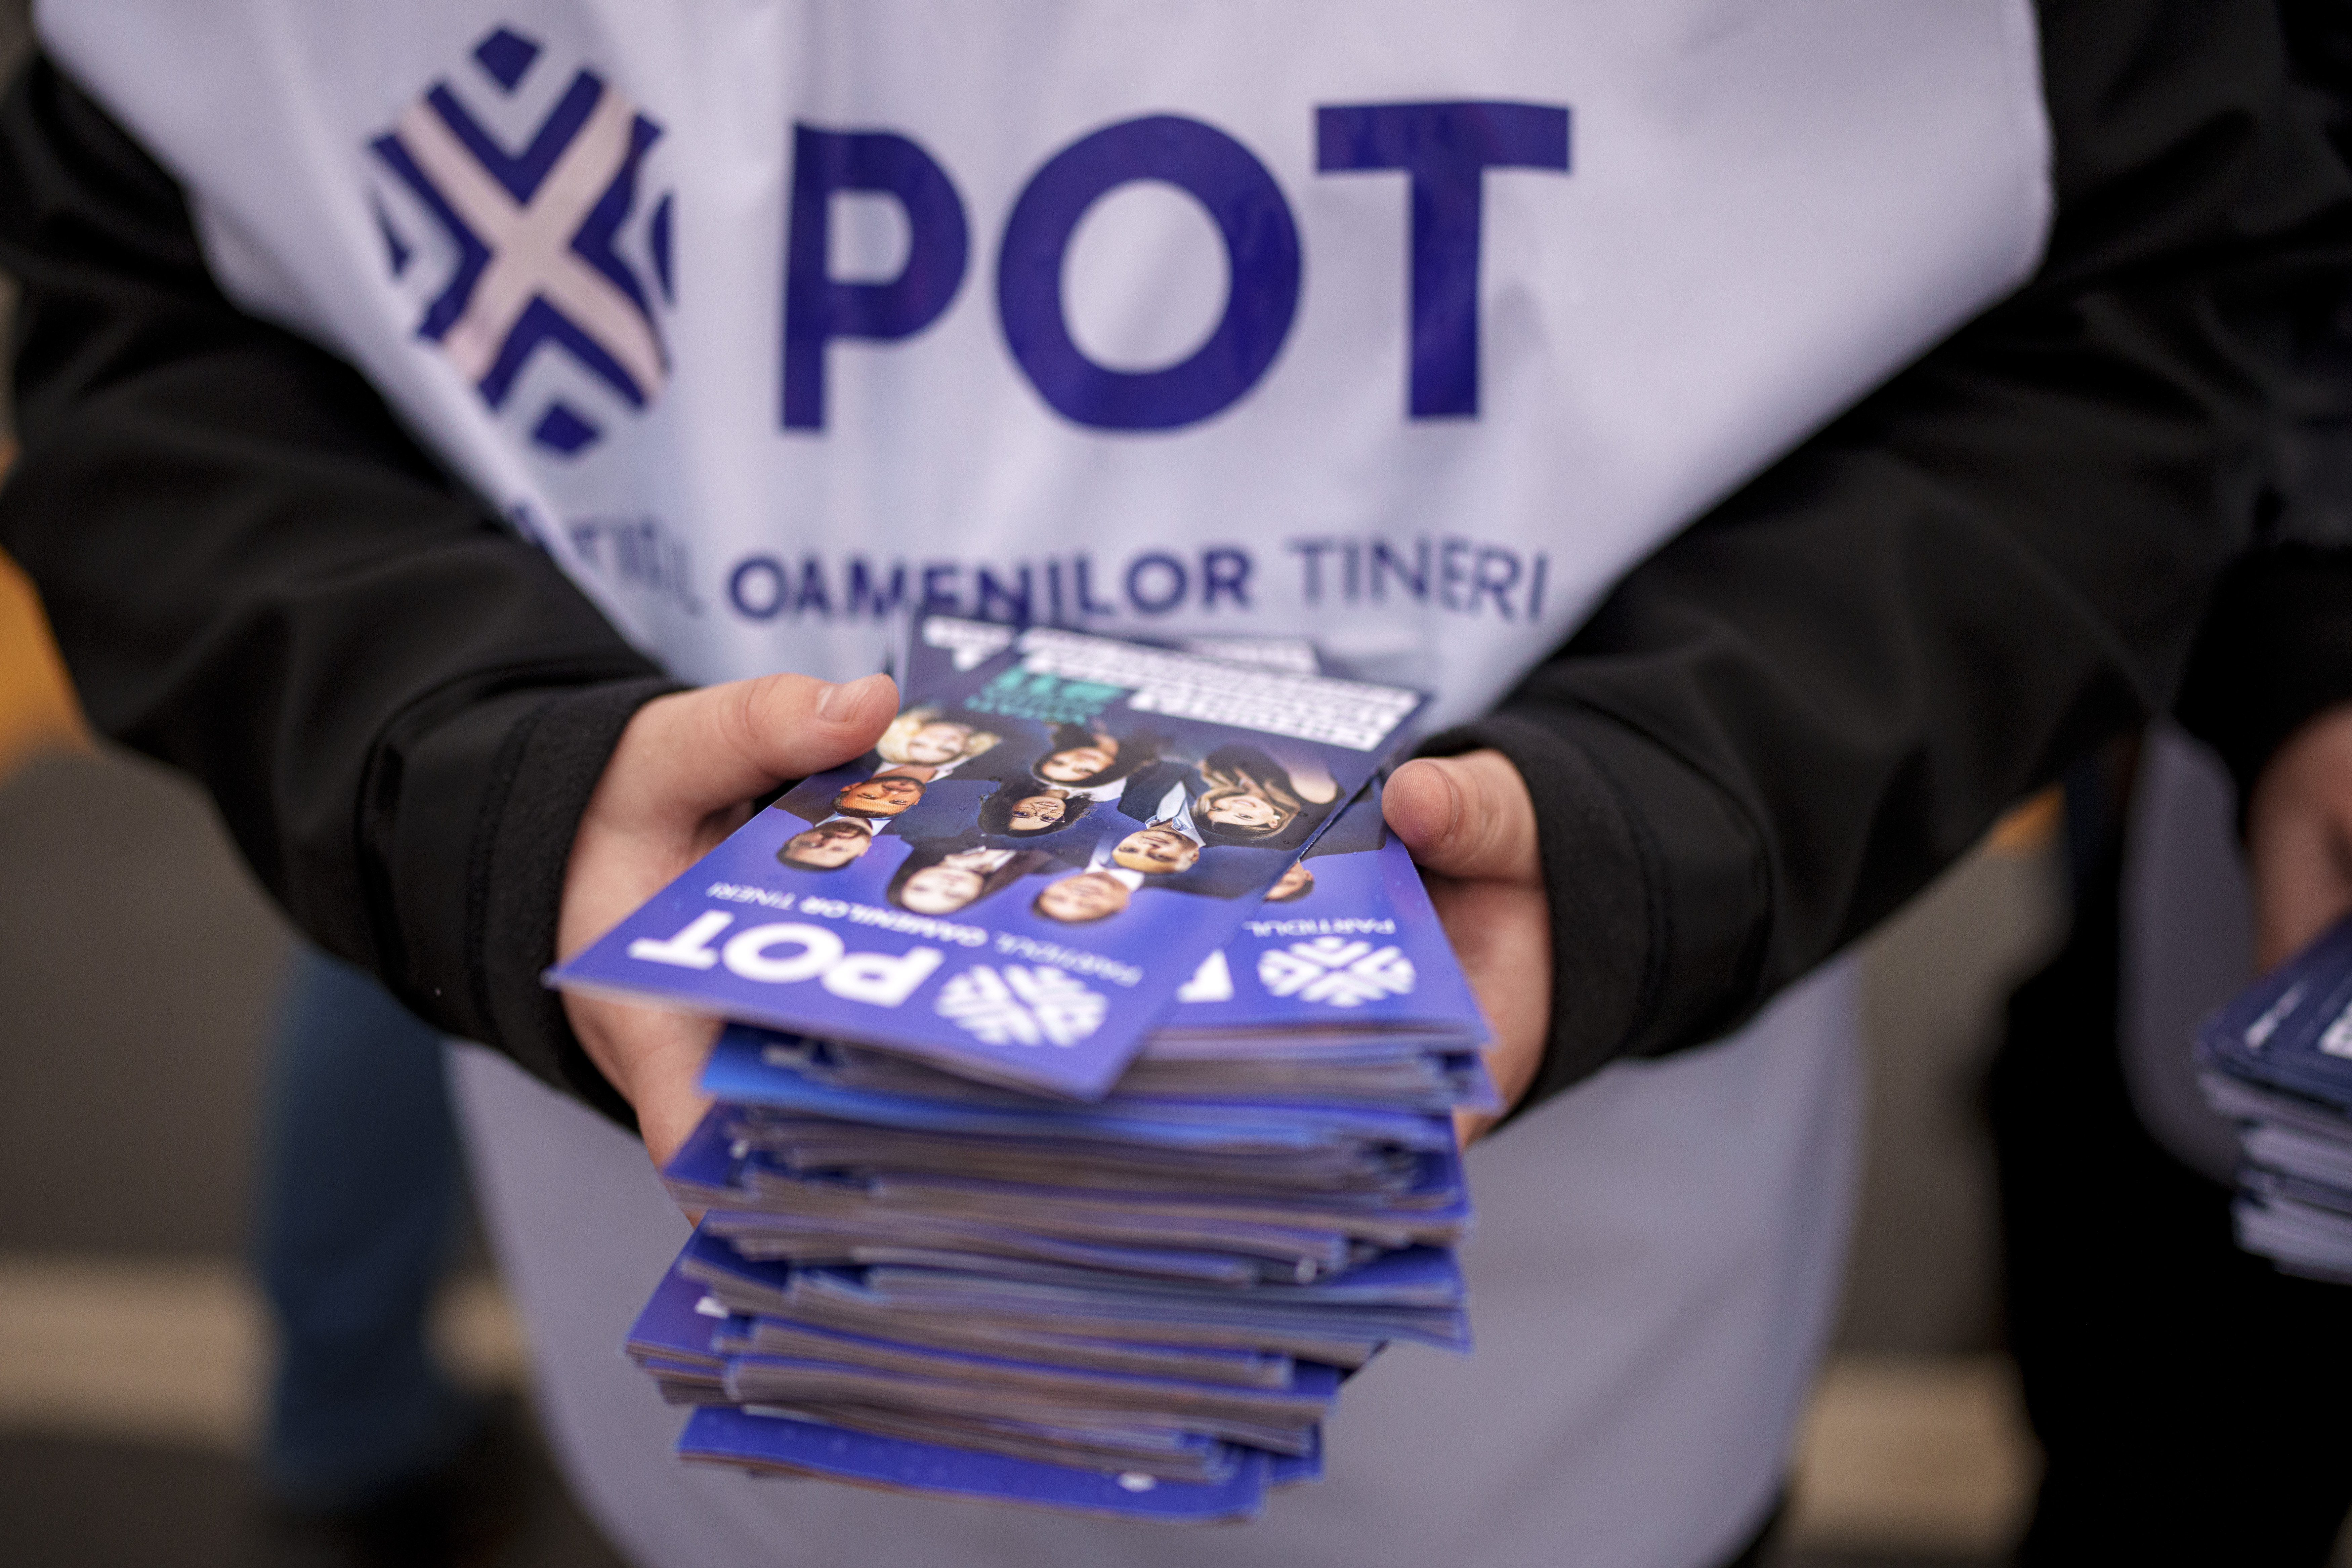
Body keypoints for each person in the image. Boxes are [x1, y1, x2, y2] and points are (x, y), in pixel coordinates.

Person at [1, 5, 2344, 1567]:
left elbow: (2136, 284)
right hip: (721, 1406)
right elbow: (149, 304)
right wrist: (488, 779)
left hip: (1571, 1419)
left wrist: (1663, 807)